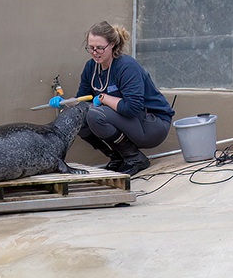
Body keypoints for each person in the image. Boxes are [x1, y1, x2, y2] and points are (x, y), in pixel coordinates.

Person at [49, 21, 174, 176]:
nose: (95, 52)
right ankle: (117, 157)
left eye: (100, 48)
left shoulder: (126, 66)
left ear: (113, 44)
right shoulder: (91, 67)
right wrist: (66, 103)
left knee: (95, 115)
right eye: (91, 48)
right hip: (129, 122)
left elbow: (132, 108)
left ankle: (134, 158)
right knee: (77, 117)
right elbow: (84, 100)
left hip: (152, 124)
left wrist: (102, 98)